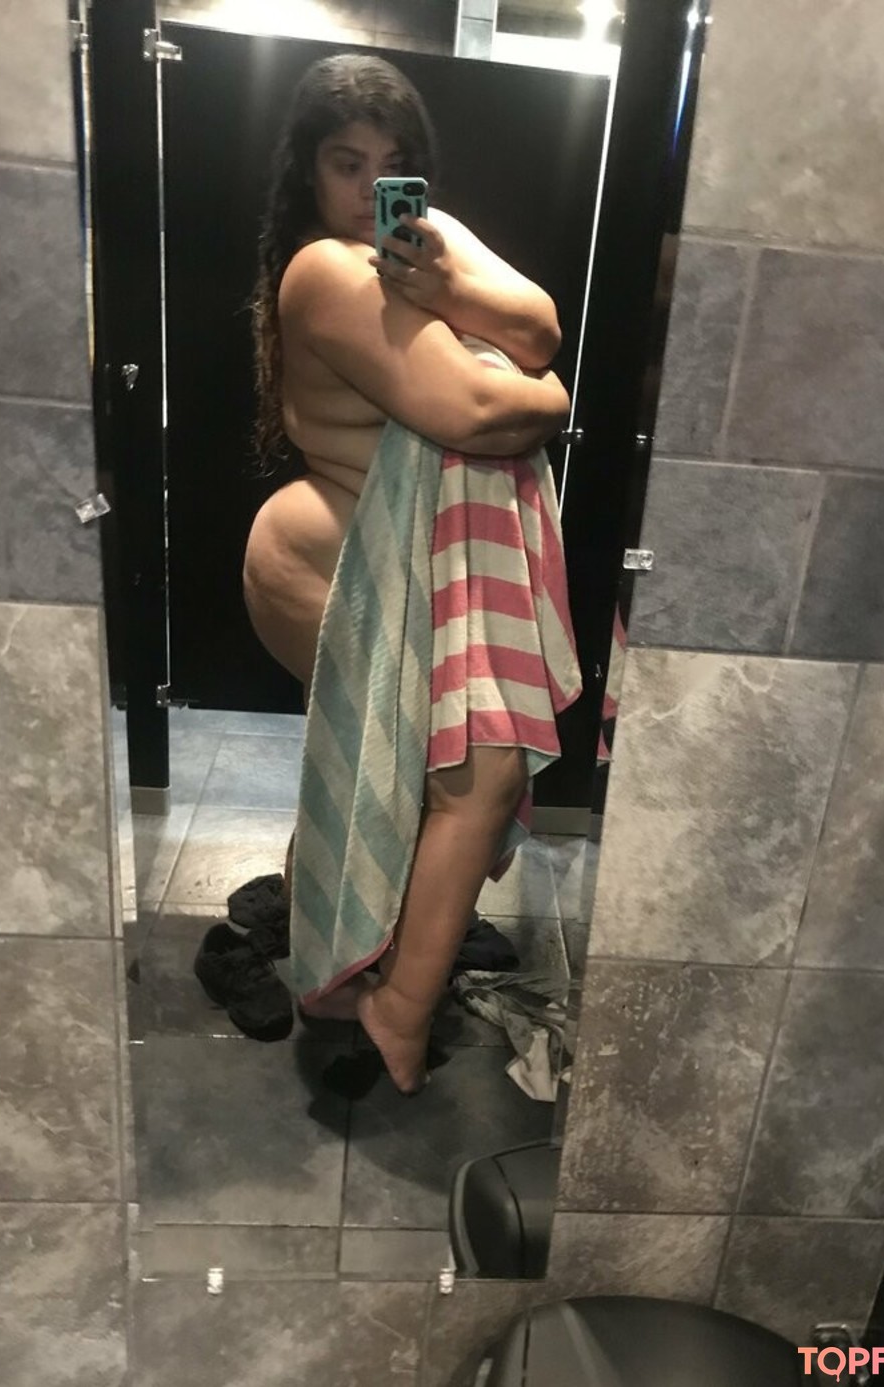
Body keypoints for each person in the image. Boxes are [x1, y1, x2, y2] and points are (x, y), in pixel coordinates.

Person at [242, 53, 575, 1094]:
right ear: (309, 172)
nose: (369, 189)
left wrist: (451, 288)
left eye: (391, 167)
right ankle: (391, 1002)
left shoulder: (428, 245)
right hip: (328, 557)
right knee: (471, 774)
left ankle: (350, 965)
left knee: (387, 766)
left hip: (413, 564)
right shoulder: (324, 270)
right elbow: (478, 407)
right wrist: (552, 396)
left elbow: (541, 324)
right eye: (346, 163)